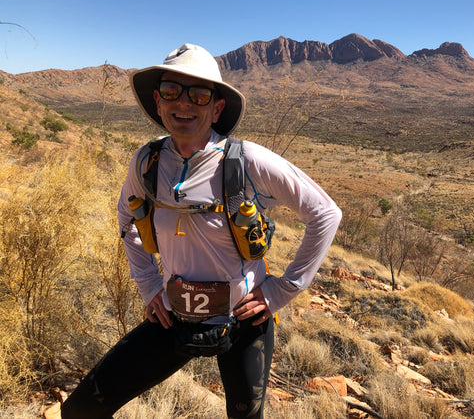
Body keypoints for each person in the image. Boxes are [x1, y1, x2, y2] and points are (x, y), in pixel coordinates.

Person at [61, 43, 342, 419]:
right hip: (171, 316)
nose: (184, 103)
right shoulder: (147, 161)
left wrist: (281, 290)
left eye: (199, 94)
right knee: (81, 410)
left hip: (243, 321)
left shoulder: (246, 161)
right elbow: (126, 216)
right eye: (172, 92)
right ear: (158, 102)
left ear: (217, 107)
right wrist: (148, 285)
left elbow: (325, 213)